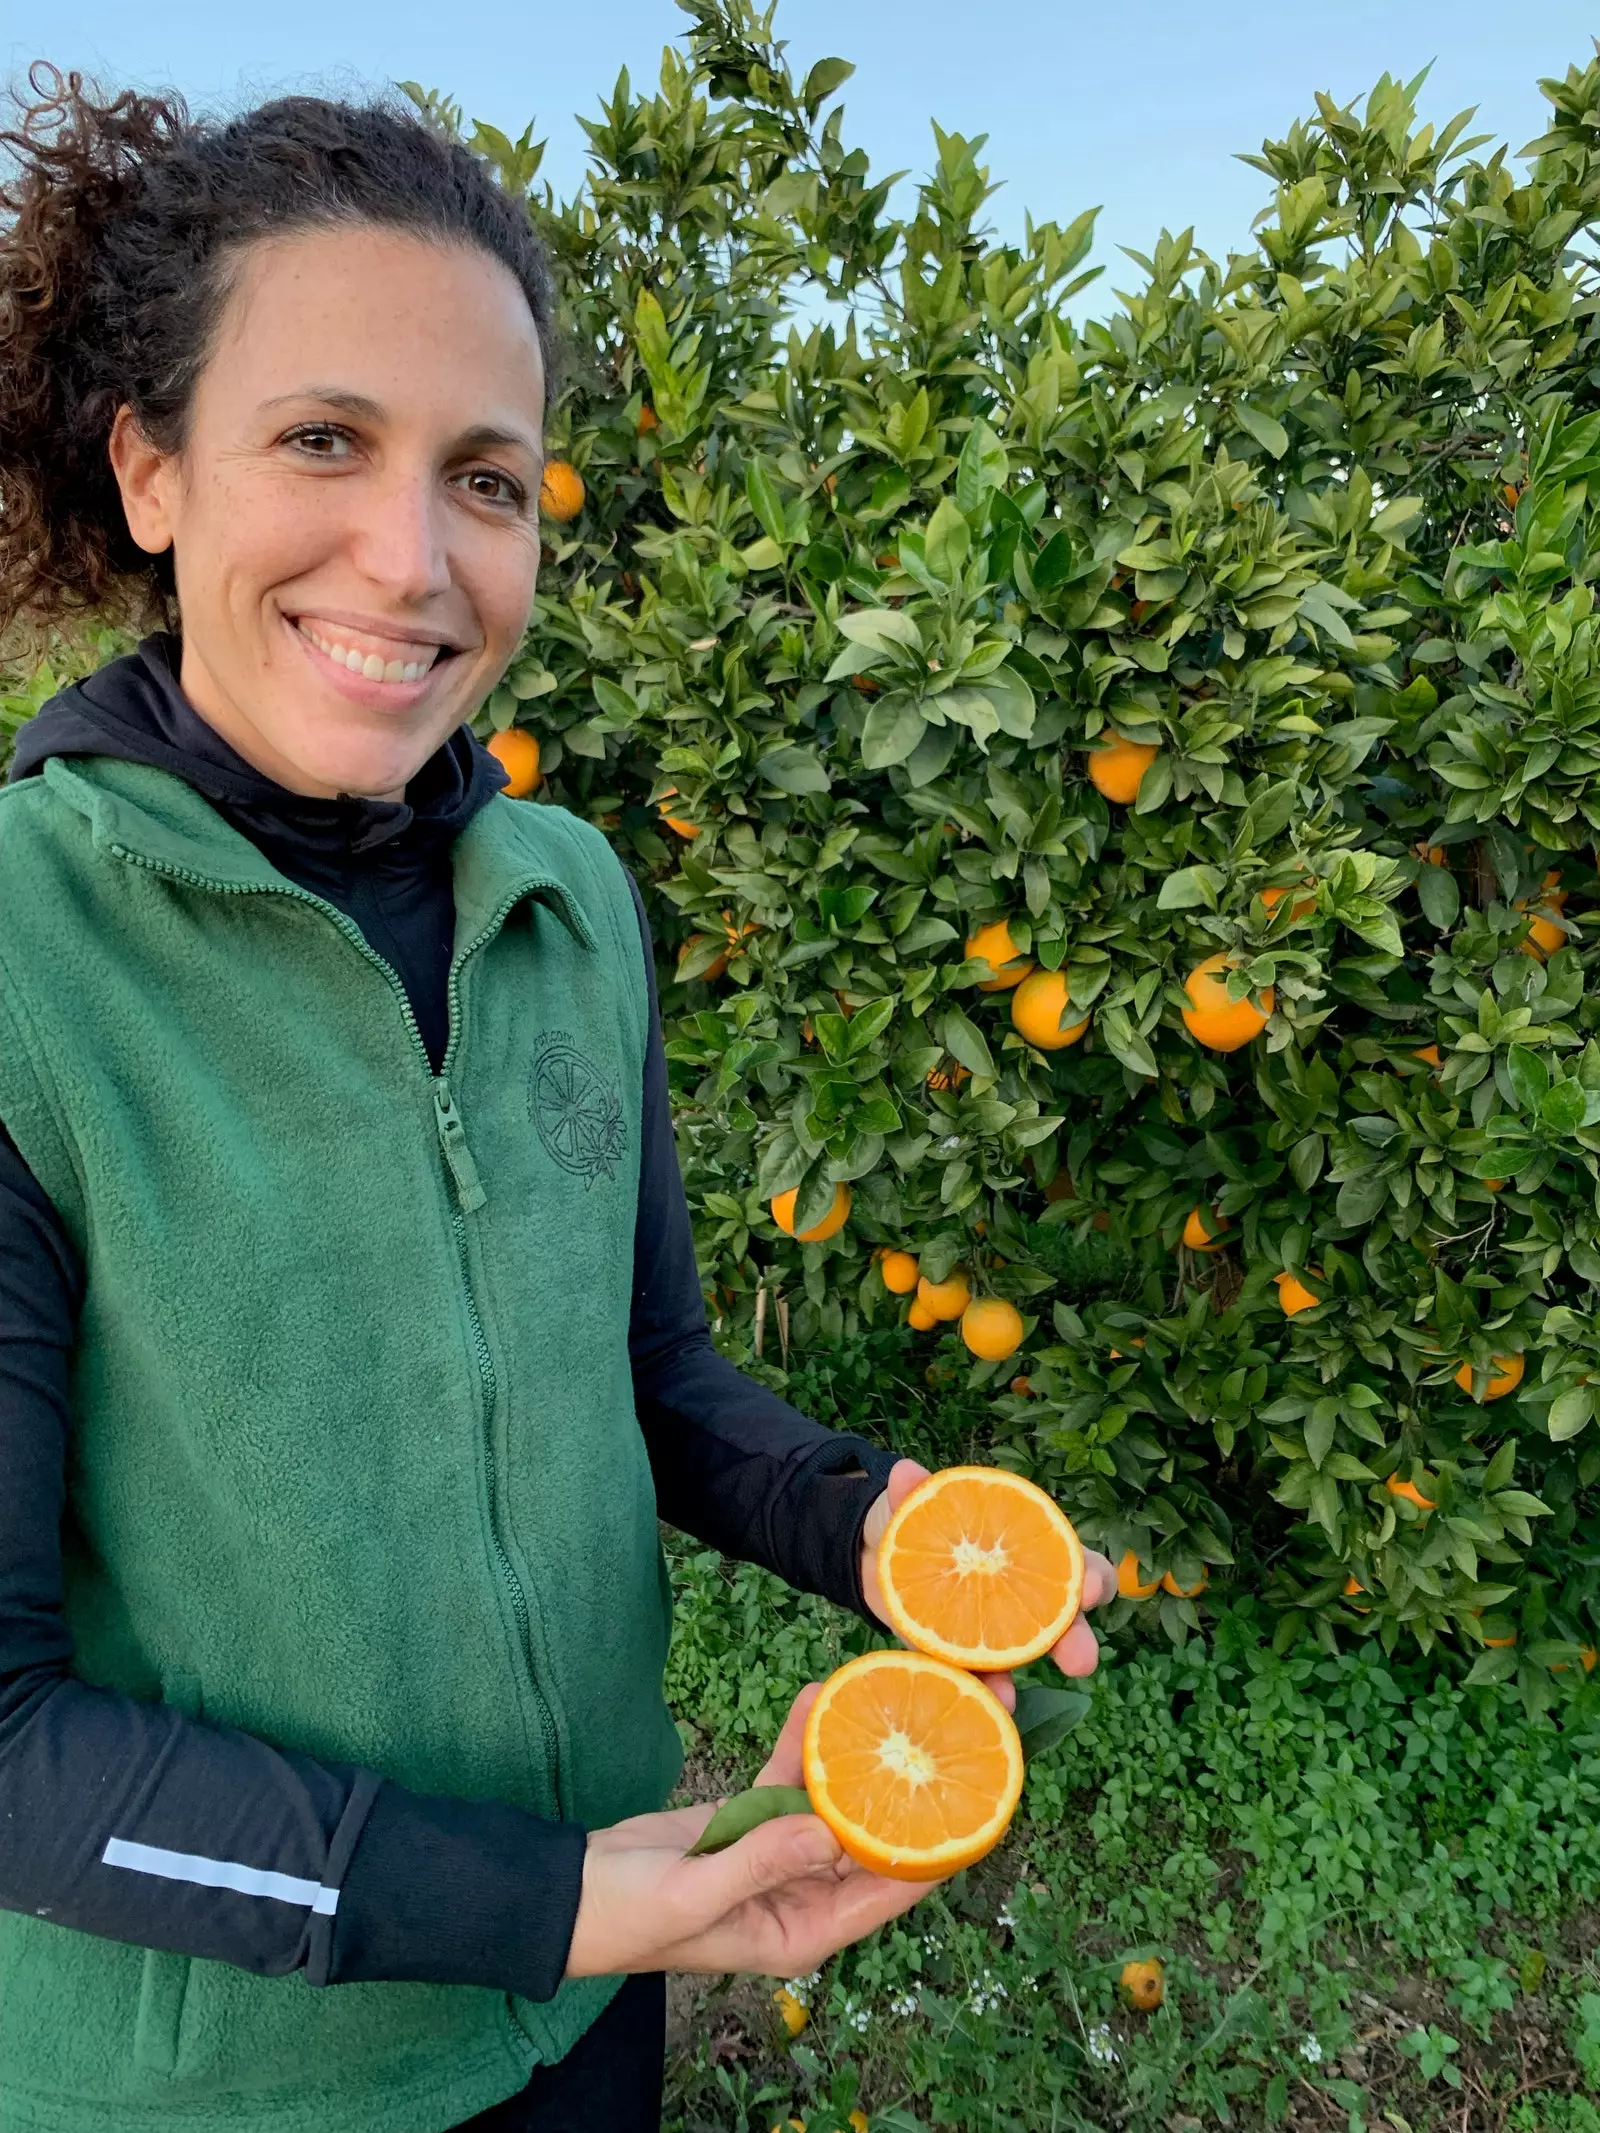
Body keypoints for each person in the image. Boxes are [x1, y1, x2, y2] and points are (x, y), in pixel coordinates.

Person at [0, 68, 1115, 2133]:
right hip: (232, 2079)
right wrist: (540, 1898)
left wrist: (863, 1519)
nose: (412, 557)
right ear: (150, 468)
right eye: (323, 441)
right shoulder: (24, 966)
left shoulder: (563, 897)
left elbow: (645, 1369)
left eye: (488, 479)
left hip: (585, 2002)